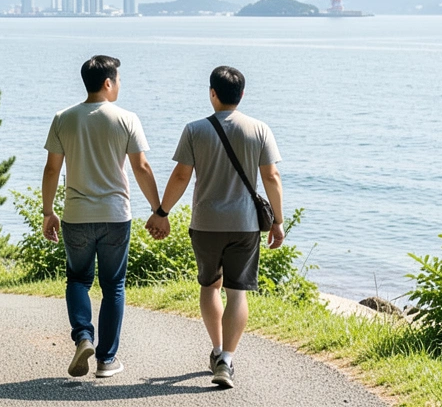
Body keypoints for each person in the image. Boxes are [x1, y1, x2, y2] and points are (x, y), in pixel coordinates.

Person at [146, 66, 285, 389]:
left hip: (206, 223)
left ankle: (217, 349)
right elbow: (272, 178)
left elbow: (181, 176)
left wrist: (162, 212)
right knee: (238, 292)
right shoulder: (259, 129)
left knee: (210, 286)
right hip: (245, 224)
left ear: (212, 93)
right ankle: (227, 359)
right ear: (242, 95)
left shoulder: (195, 130)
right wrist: (277, 221)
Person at [42, 55, 162, 379]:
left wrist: (48, 212)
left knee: (78, 279)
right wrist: (158, 210)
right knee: (114, 286)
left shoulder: (63, 118)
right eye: (118, 79)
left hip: (76, 215)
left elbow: (53, 168)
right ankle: (107, 360)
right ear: (108, 82)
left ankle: (83, 336)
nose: (120, 84)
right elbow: (141, 167)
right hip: (115, 215)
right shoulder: (127, 119)